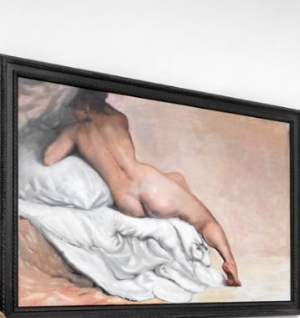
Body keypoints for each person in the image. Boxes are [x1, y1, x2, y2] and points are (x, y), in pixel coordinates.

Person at [42, 90, 242, 286]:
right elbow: (103, 110)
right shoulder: (118, 119)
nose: (71, 113)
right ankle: (229, 261)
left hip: (125, 200)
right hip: (149, 185)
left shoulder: (74, 132)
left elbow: (49, 158)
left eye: (72, 108)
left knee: (177, 178)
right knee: (203, 219)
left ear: (83, 106)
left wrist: (66, 135)